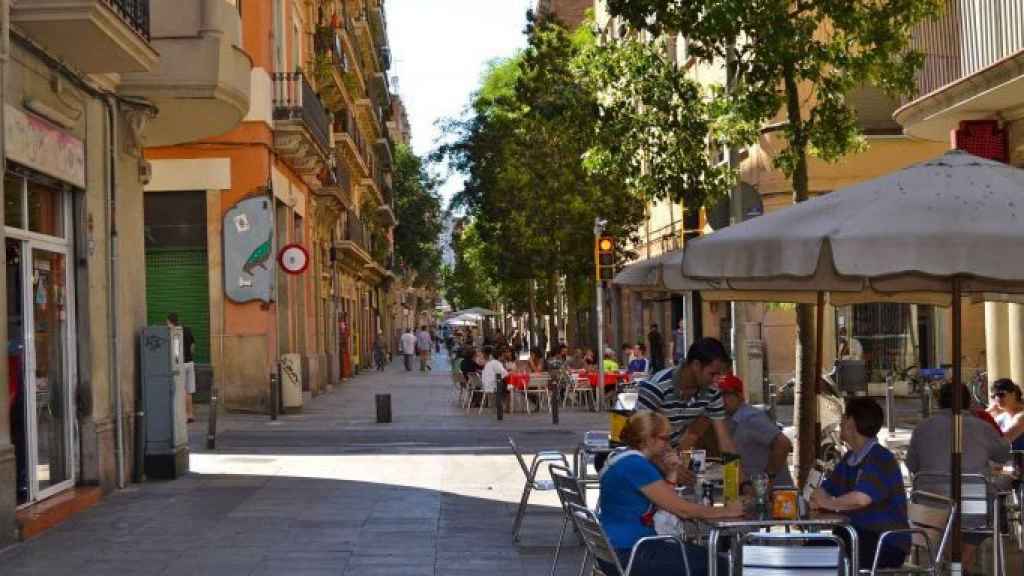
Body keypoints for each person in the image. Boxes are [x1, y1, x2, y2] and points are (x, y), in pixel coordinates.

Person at [597, 412, 740, 576]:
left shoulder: (622, 458)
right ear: (649, 439)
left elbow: (663, 503)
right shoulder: (638, 466)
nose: (668, 444)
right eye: (665, 438)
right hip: (631, 553)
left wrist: (672, 472)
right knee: (721, 564)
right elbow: (682, 510)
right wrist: (727, 511)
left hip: (613, 551)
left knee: (704, 556)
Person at [907, 382, 1010, 573]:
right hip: (974, 508)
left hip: (929, 508)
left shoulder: (922, 428)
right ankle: (963, 561)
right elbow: (1004, 455)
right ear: (968, 402)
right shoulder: (982, 427)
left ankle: (952, 561)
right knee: (985, 508)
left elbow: (911, 465)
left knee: (942, 527)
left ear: (939, 403)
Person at [812, 398, 909, 570]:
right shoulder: (850, 457)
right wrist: (821, 497)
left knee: (822, 559)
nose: (840, 422)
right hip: (856, 535)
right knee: (811, 553)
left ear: (850, 422)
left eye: (843, 418)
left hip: (885, 542)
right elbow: (822, 490)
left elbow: (861, 498)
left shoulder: (880, 458)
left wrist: (829, 503)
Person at [637, 338, 737, 454]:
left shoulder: (712, 391)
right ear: (696, 365)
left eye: (719, 374)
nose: (716, 379)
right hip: (646, 458)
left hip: (674, 456)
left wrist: (735, 469)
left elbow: (724, 440)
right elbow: (638, 438)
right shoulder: (656, 387)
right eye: (712, 374)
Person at [718, 374, 794, 487]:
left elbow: (784, 444)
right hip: (750, 490)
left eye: (725, 394)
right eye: (717, 395)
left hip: (775, 494)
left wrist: (766, 480)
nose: (720, 400)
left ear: (739, 395)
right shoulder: (728, 418)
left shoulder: (750, 418)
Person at [167, 313, 196, 423]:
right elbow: (193, 346)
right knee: (189, 391)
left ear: (170, 322)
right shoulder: (187, 330)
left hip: (181, 364)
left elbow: (176, 353)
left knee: (181, 390)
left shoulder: (175, 333)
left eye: (167, 322)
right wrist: (189, 354)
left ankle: (183, 415)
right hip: (190, 363)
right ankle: (190, 414)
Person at [989, 378, 1024, 450]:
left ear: (1013, 394)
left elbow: (1003, 440)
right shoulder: (1001, 417)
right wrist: (988, 411)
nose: (997, 398)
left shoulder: (1021, 416)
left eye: (1000, 394)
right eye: (993, 396)